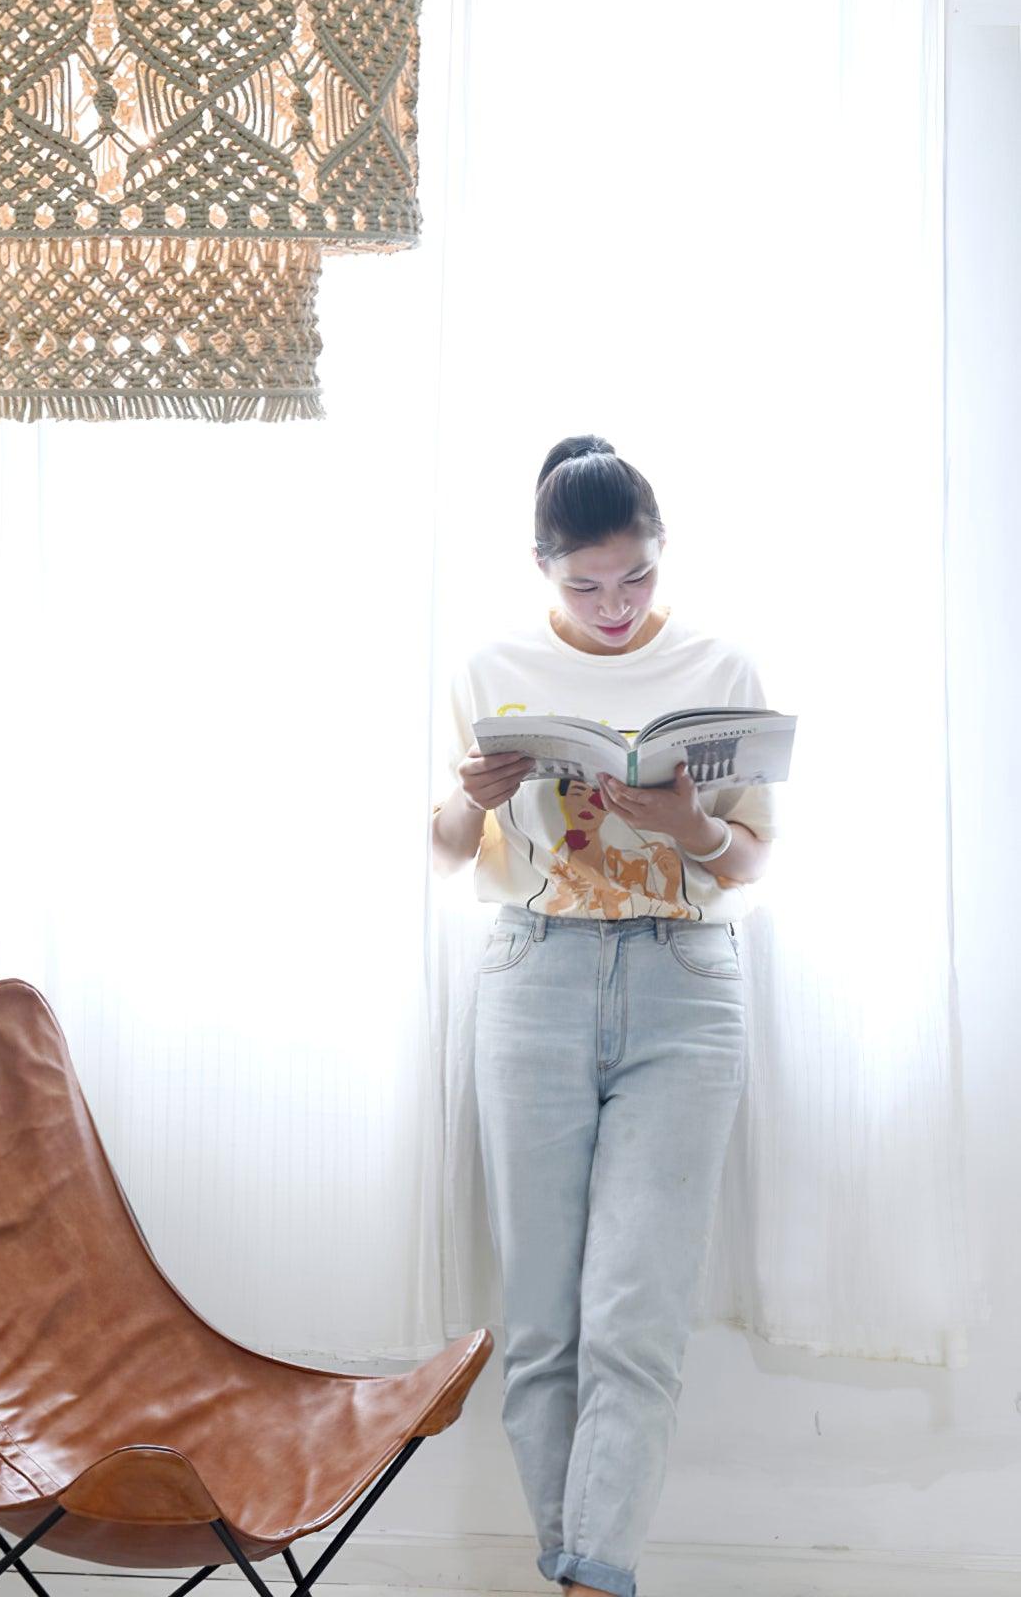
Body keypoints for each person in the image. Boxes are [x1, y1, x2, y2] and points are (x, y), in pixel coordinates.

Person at [429, 434, 777, 1597]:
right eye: (586, 584)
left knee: (638, 1313)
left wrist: (687, 826)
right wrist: (469, 798)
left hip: (687, 983)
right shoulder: (493, 668)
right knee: (542, 1323)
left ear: (662, 549)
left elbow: (750, 857)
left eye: (636, 575)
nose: (615, 604)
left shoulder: (722, 665)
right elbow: (447, 848)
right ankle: (583, 1574)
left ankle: (590, 1577)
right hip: (534, 974)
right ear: (545, 566)